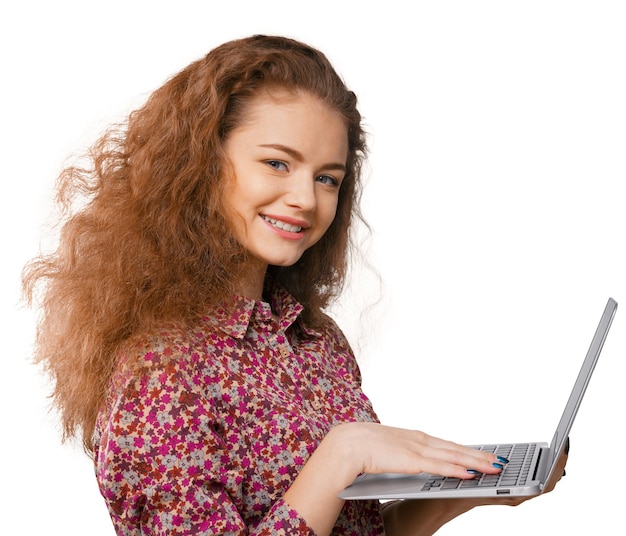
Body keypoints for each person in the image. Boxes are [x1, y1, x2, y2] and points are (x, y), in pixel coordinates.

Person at [23, 35, 567, 535]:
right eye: (278, 164)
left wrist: (469, 488)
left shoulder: (314, 340)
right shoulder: (160, 377)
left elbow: (358, 530)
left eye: (327, 177)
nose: (306, 198)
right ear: (200, 167)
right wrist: (341, 454)